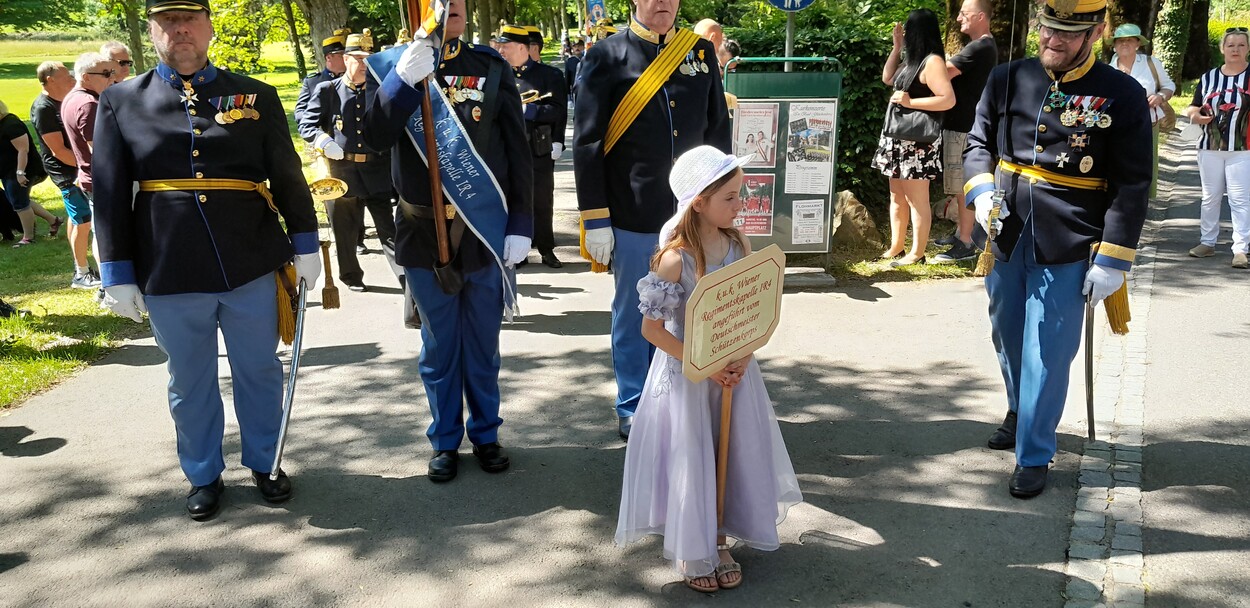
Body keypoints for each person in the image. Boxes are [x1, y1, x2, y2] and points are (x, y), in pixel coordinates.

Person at [93, 0, 321, 521]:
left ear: (210, 28)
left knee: (259, 369)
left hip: (250, 260)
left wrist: (304, 244)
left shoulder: (256, 95)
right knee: (188, 379)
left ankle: (266, 461)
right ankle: (203, 473)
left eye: (190, 21)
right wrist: (117, 272)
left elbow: (286, 175)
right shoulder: (121, 101)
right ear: (152, 33)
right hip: (169, 265)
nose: (180, 32)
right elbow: (108, 194)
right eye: (167, 23)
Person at [966, 0, 1151, 497]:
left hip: (1071, 236)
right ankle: (1019, 408)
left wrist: (1113, 259)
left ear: (1097, 31)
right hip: (1005, 229)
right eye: (1049, 29)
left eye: (1068, 33)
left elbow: (1132, 185)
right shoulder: (1008, 77)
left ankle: (1034, 452)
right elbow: (978, 142)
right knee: (1006, 335)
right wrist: (981, 190)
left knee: (1046, 350)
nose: (1054, 40)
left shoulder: (1123, 94)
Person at [616, 145, 802, 593]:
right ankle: (693, 545)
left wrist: (745, 356)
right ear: (698, 200)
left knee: (730, 451)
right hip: (690, 376)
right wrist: (705, 363)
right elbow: (652, 331)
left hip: (735, 372)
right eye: (731, 198)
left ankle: (720, 540)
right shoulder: (674, 258)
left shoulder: (739, 244)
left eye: (741, 195)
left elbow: (754, 310)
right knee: (694, 455)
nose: (742, 205)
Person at [364, 0, 533, 483]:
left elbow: (517, 151)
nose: (450, 6)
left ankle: (485, 433)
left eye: (457, 1)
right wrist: (400, 81)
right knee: (438, 347)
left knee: (483, 342)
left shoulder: (490, 66)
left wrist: (522, 222)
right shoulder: (389, 67)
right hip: (421, 229)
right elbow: (375, 138)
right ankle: (443, 439)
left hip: (482, 230)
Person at [575, 0, 731, 440]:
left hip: (691, 214)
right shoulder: (606, 55)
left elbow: (718, 131)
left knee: (698, 310)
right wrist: (595, 216)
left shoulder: (698, 53)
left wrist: (721, 202)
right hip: (633, 211)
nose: (663, 3)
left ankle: (689, 395)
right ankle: (632, 402)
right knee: (635, 314)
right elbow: (588, 141)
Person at [300, 29, 399, 292]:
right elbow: (307, 124)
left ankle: (406, 278)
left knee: (389, 231)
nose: (364, 64)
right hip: (342, 171)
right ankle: (351, 275)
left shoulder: (381, 91)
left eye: (369, 59)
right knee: (344, 231)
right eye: (358, 58)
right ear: (346, 60)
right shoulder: (328, 90)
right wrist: (323, 141)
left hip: (376, 169)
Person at [871, 9, 955, 267]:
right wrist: (896, 48)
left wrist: (912, 101)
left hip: (917, 142)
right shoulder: (912, 60)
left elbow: (947, 99)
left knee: (916, 199)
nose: (904, 34)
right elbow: (888, 78)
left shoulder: (933, 62)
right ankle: (896, 247)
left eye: (907, 30)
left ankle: (917, 252)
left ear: (917, 31)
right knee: (896, 196)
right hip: (898, 137)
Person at [931, 0, 997, 264]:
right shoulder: (982, 46)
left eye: (964, 14)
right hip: (962, 123)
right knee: (958, 184)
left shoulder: (980, 47)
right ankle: (962, 232)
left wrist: (927, 61)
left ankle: (966, 242)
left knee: (962, 185)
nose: (958, 18)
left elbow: (944, 72)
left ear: (981, 16)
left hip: (964, 126)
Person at [497, 25, 568, 268]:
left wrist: (529, 110)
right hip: (507, 148)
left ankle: (546, 248)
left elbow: (558, 110)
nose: (501, 50)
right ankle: (520, 251)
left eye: (505, 46)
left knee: (542, 199)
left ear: (522, 48)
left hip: (537, 146)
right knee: (513, 197)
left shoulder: (549, 75)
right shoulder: (498, 74)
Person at [1182, 27, 1250, 269]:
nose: (1235, 49)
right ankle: (1207, 242)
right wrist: (1195, 116)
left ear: (1248, 49)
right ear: (1222, 49)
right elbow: (1193, 106)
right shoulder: (1209, 77)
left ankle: (1241, 249)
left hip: (1243, 147)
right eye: (1231, 45)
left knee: (1240, 199)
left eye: (1241, 45)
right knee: (1210, 197)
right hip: (1209, 145)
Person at [31, 61, 97, 286]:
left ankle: (81, 268)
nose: (71, 77)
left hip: (79, 168)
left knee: (77, 218)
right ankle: (81, 273)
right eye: (65, 75)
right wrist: (85, 169)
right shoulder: (43, 107)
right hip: (67, 172)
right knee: (83, 221)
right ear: (50, 80)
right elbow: (57, 149)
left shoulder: (66, 99)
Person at [1109, 23, 1175, 199]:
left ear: (1138, 44)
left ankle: (1142, 198)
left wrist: (1160, 96)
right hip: (1116, 125)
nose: (1125, 44)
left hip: (1148, 122)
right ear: (1114, 45)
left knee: (1145, 163)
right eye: (1120, 41)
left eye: (1129, 40)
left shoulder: (1151, 63)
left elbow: (1169, 86)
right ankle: (1119, 197)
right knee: (1118, 162)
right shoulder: (1108, 69)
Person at [61, 53, 120, 202]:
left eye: (112, 72)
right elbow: (100, 150)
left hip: (92, 179)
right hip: (105, 183)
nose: (112, 78)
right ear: (86, 77)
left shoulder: (72, 97)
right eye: (106, 74)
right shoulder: (89, 104)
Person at [0, 99, 56, 248]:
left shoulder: (11, 125)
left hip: (21, 170)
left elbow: (23, 150)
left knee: (19, 203)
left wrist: (20, 172)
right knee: (17, 199)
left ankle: (28, 237)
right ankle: (53, 220)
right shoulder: (2, 124)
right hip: (8, 171)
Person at [294, 30, 348, 131]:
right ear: (328, 57)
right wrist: (314, 120)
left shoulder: (353, 81)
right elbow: (299, 112)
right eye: (342, 55)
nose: (346, 58)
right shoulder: (312, 82)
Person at [564, 38, 584, 103]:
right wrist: (568, 97)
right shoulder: (569, 61)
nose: (577, 48)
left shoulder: (589, 59)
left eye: (579, 46)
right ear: (572, 48)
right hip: (576, 91)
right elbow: (567, 79)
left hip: (587, 90)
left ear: (583, 47)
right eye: (575, 46)